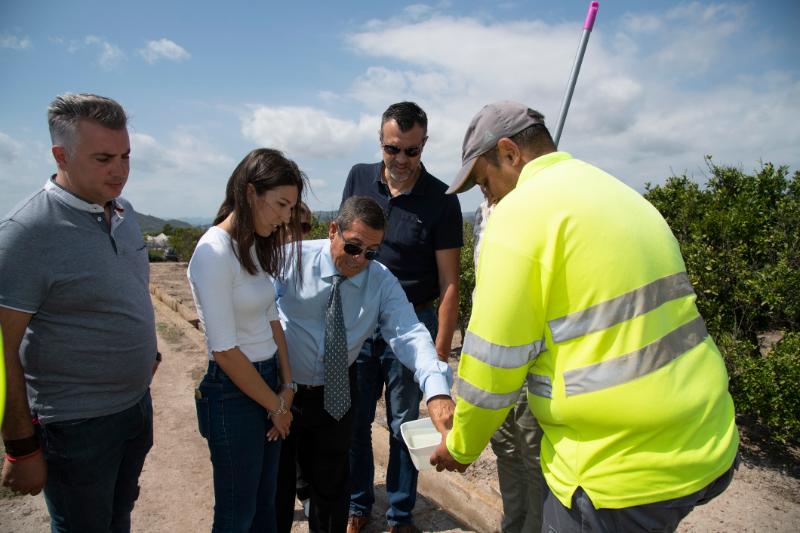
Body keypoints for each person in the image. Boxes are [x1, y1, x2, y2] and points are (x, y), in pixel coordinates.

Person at [431, 101, 740, 532]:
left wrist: (460, 447)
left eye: (485, 183)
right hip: (708, 442)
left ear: (509, 152)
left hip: (615, 471)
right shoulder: (623, 194)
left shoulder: (519, 215)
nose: (490, 198)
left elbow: (492, 365)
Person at [0, 93, 160, 532]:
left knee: (117, 518)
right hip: (75, 427)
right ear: (60, 155)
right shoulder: (26, 234)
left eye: (126, 155)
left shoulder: (124, 215)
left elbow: (129, 294)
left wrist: (149, 354)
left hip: (134, 408)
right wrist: (20, 447)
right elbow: (2, 350)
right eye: (104, 158)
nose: (120, 170)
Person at [274, 196, 455, 533]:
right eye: (354, 247)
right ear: (332, 231)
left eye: (372, 252)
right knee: (277, 489)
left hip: (338, 390)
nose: (360, 260)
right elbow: (256, 310)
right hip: (285, 391)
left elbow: (409, 332)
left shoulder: (380, 280)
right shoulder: (290, 261)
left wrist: (437, 390)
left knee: (332, 489)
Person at [340, 101, 462, 533]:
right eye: (394, 149)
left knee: (405, 425)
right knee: (352, 420)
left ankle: (399, 514)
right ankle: (356, 504)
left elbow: (450, 283)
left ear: (424, 146)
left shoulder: (443, 200)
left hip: (413, 324)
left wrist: (439, 355)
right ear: (381, 141)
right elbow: (344, 247)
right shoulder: (357, 178)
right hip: (359, 321)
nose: (402, 161)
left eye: (412, 151)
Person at [188, 148, 306, 533]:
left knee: (266, 507)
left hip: (269, 383)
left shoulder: (252, 244)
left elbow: (272, 317)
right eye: (281, 205)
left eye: (291, 207)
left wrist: (287, 387)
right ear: (250, 192)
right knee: (237, 514)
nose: (286, 217)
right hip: (235, 395)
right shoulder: (213, 253)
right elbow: (224, 350)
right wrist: (276, 405)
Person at [474, 198, 544, 533]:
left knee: (533, 453)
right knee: (505, 446)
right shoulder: (481, 215)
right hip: (494, 357)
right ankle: (513, 524)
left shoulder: (533, 212)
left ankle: (537, 526)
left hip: (531, 359)